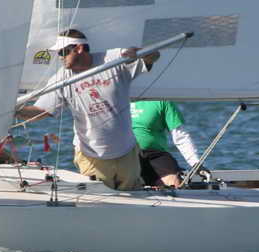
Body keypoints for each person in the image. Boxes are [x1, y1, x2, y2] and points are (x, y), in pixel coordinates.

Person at [16, 29, 158, 190]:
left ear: (79, 48)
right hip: (92, 156)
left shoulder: (114, 59)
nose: (60, 57)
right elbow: (41, 110)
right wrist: (14, 111)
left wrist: (141, 53)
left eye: (63, 52)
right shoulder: (62, 78)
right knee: (100, 199)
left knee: (133, 197)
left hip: (127, 152)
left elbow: (154, 57)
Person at [131, 100, 203, 187]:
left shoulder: (163, 100)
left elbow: (181, 137)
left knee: (174, 182)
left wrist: (195, 163)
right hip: (126, 154)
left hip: (155, 155)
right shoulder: (118, 99)